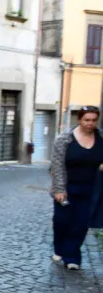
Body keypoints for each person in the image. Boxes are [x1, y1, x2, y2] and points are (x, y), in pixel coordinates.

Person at [49, 105, 103, 270]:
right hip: (67, 186)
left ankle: (72, 257)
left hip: (91, 188)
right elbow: (57, 166)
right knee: (61, 221)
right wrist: (59, 189)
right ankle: (59, 248)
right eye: (87, 120)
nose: (90, 123)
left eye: (94, 120)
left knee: (81, 224)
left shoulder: (100, 138)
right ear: (79, 120)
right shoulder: (65, 139)